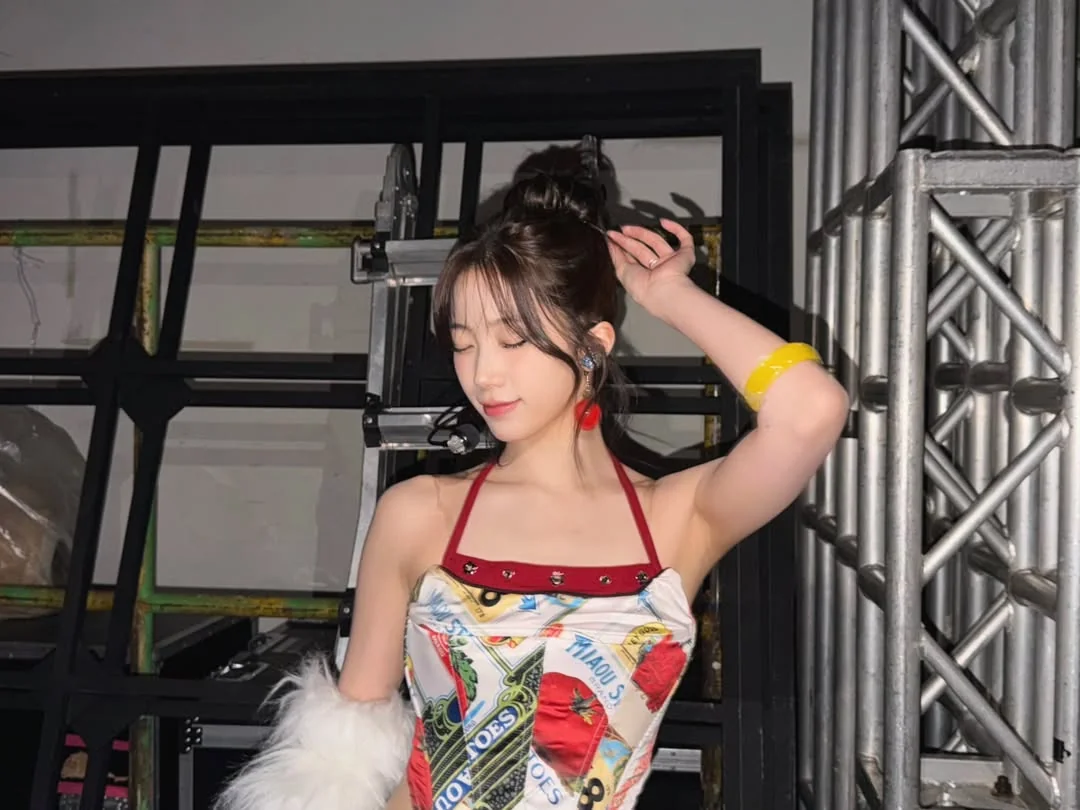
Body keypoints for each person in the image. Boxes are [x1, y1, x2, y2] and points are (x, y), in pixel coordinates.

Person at [215, 144, 848, 810]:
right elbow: (341, 756)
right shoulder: (420, 512)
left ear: (593, 345)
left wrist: (670, 296)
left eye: (513, 340)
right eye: (463, 343)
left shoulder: (675, 518)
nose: (483, 373)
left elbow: (811, 411)